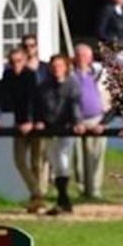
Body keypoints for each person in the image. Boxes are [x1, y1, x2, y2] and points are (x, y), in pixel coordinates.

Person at [34, 54, 83, 215]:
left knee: (63, 161)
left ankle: (63, 199)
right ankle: (63, 200)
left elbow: (75, 104)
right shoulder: (44, 86)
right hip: (49, 128)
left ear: (66, 67)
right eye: (54, 66)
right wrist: (39, 120)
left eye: (60, 66)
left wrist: (77, 122)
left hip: (65, 128)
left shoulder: (72, 84)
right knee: (55, 163)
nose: (57, 69)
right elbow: (38, 105)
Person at [4, 47, 46, 211]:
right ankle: (37, 192)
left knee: (36, 163)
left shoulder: (30, 75)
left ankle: (36, 200)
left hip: (34, 123)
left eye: (19, 61)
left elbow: (33, 99)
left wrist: (30, 121)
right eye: (12, 61)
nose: (16, 64)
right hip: (19, 124)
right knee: (19, 160)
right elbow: (7, 99)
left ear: (25, 60)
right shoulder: (8, 75)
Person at [71, 44, 108, 200]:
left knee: (96, 156)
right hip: (77, 121)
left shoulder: (100, 74)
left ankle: (95, 190)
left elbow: (110, 98)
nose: (82, 59)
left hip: (97, 119)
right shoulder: (70, 75)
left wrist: (104, 121)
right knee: (79, 158)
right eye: (79, 55)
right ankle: (82, 189)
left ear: (91, 58)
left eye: (85, 56)